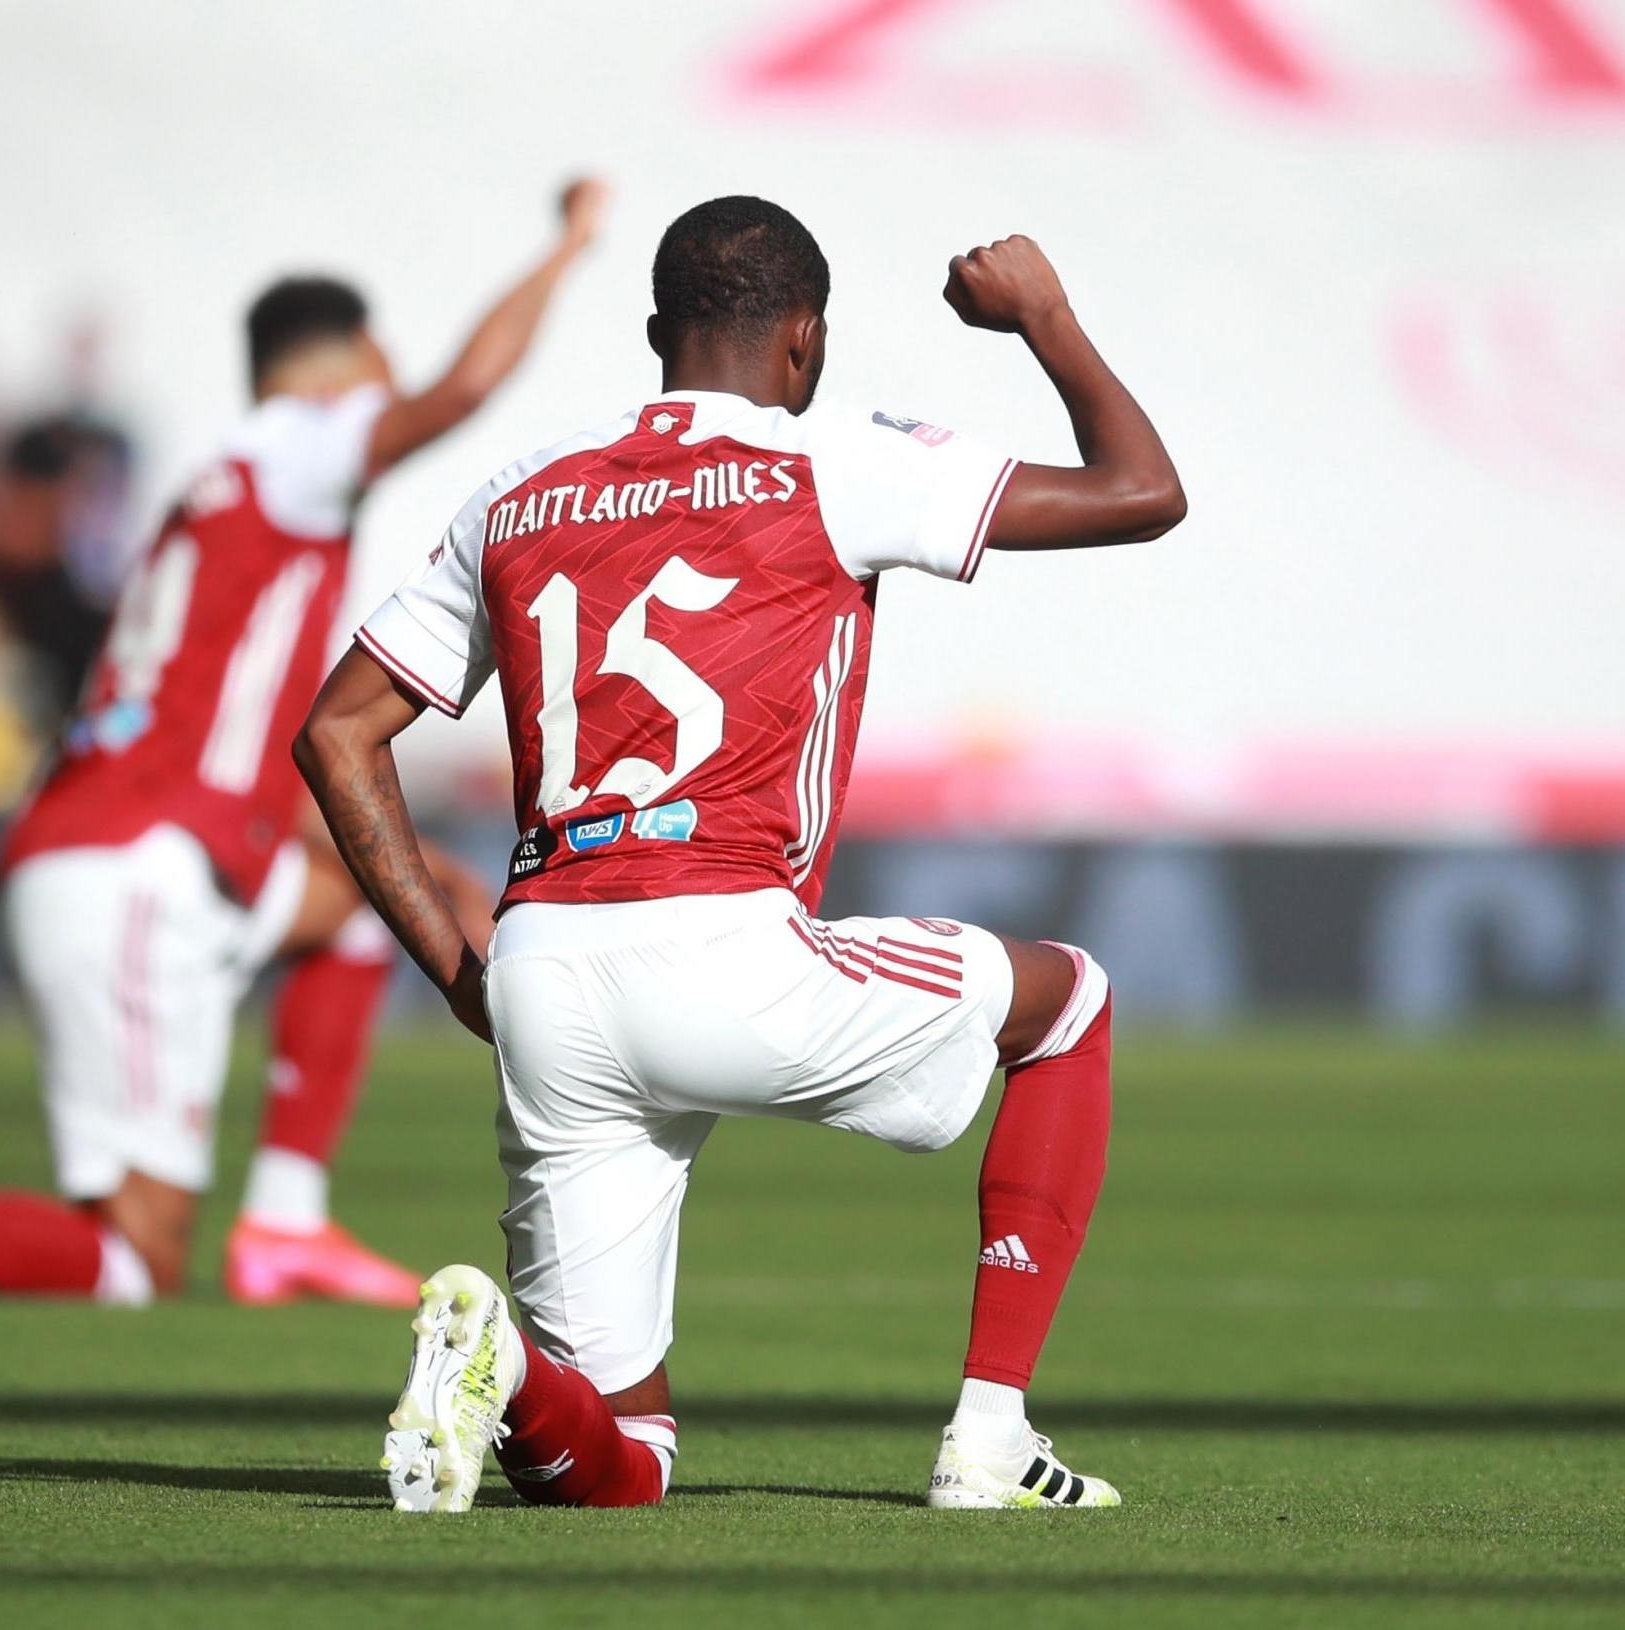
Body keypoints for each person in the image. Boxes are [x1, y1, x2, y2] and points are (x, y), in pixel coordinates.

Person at [296, 197, 1184, 1510]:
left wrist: (450, 963)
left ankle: (502, 1366)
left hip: (544, 965)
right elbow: (1140, 492)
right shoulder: (835, 459)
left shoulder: (521, 489)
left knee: (615, 1451)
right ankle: (990, 1439)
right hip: (723, 938)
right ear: (804, 344)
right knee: (1069, 1005)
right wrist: (1041, 315)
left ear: (657, 334)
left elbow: (337, 734)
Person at [0, 179, 610, 1312]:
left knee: (369, 903)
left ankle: (286, 1225)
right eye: (378, 360)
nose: (390, 385)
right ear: (344, 359)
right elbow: (465, 386)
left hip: (139, 846)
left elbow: (227, 740)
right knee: (128, 1262)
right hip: (135, 872)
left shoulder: (220, 492)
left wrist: (413, 860)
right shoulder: (299, 446)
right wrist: (570, 244)